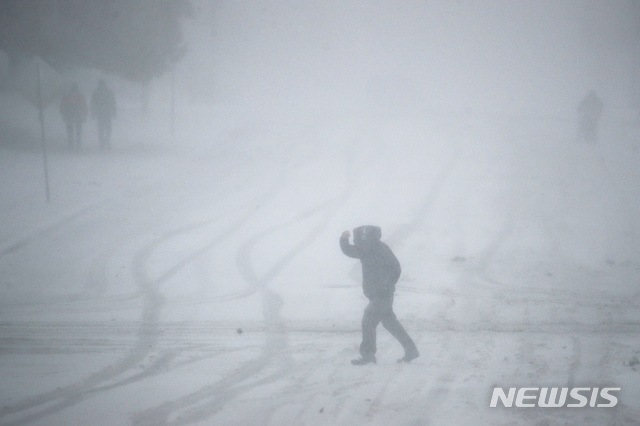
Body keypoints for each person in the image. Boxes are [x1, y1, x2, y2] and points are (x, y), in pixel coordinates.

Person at [340, 225, 419, 365]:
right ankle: (411, 350)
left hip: (382, 294)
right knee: (389, 323)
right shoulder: (367, 249)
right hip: (376, 294)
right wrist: (344, 239)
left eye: (358, 238)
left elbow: (396, 267)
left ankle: (368, 356)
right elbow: (349, 251)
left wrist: (386, 285)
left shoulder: (378, 248)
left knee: (368, 321)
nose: (357, 241)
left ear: (365, 238)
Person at [90, 79, 117, 150]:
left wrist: (93, 113)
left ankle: (101, 142)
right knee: (108, 128)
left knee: (100, 128)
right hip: (108, 113)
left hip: (100, 113)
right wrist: (114, 112)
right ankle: (107, 141)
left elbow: (93, 104)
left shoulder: (96, 92)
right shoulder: (109, 92)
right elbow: (113, 103)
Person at [60, 84, 88, 150]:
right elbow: (84, 106)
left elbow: (63, 106)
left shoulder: (67, 96)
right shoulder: (80, 96)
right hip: (78, 115)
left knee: (70, 131)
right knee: (78, 131)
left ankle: (70, 144)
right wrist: (84, 114)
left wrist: (64, 114)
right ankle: (78, 144)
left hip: (69, 115)